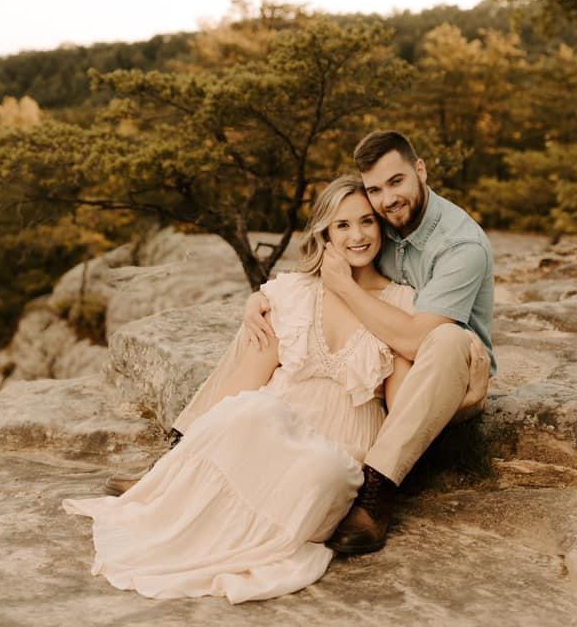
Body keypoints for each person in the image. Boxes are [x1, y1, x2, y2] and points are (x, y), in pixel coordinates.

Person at [62, 174, 487, 603]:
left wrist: (458, 394)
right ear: (324, 233)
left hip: (340, 446)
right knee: (250, 412)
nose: (357, 236)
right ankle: (174, 468)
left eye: (366, 222)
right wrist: (198, 443)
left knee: (320, 468)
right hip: (274, 420)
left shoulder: (402, 303)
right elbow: (248, 377)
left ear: (382, 227)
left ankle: (229, 504)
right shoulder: (294, 291)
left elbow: (402, 408)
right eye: (342, 225)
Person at [243, 129, 495, 555]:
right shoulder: (387, 222)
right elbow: (339, 244)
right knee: (268, 316)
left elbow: (415, 340)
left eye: (396, 182)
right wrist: (263, 298)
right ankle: (184, 446)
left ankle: (378, 493)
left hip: (448, 376)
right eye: (375, 189)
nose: (387, 199)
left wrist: (345, 289)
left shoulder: (461, 245)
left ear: (420, 170)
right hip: (394, 360)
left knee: (447, 337)